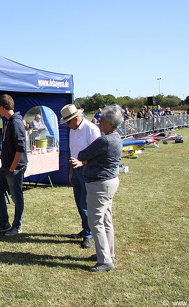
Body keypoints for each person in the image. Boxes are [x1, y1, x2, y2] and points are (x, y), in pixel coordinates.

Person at [69, 105, 124, 272]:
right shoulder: (116, 138)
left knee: (96, 222)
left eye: (101, 120)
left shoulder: (104, 140)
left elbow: (82, 155)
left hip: (100, 184)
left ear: (109, 123)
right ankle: (107, 254)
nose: (98, 122)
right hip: (109, 182)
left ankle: (105, 261)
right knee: (106, 221)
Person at [60, 104, 100, 249]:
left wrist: (82, 163)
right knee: (79, 203)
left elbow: (98, 153)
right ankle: (85, 229)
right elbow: (73, 151)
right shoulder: (73, 130)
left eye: (68, 122)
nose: (68, 126)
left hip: (88, 171)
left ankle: (89, 234)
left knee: (86, 203)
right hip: (76, 170)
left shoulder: (91, 129)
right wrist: (71, 170)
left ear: (76, 118)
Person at [0, 94, 28, 236]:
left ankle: (17, 226)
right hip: (6, 166)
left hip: (15, 167)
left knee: (17, 196)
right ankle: (4, 223)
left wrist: (13, 167)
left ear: (2, 107)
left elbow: (21, 148)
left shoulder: (16, 123)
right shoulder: (9, 121)